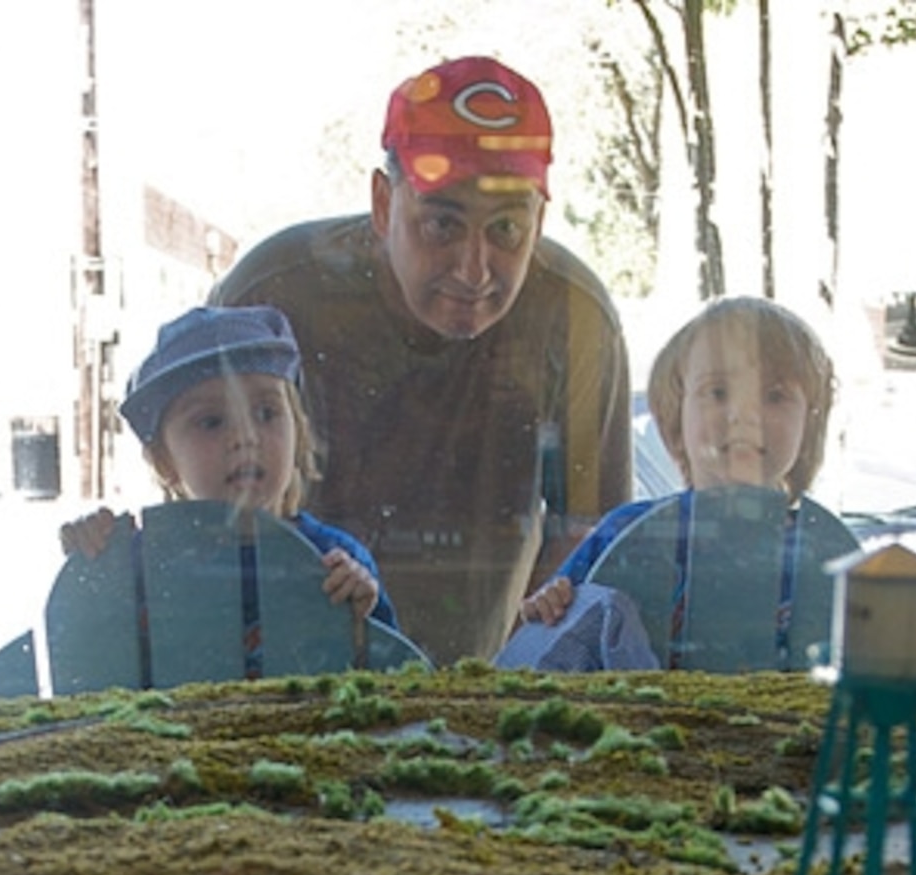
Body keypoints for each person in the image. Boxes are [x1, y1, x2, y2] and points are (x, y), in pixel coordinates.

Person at [211, 57, 631, 664]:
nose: (473, 268)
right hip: (292, 679)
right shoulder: (274, 295)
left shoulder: (575, 316)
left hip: (492, 692)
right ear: (384, 204)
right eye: (442, 224)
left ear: (541, 222)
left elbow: (590, 532)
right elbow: (197, 508)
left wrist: (521, 671)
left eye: (508, 229)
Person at [62, 304, 400, 635]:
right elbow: (87, 657)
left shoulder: (335, 562)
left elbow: (393, 673)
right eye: (211, 422)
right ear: (164, 462)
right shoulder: (137, 565)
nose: (246, 437)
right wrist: (92, 557)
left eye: (267, 413)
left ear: (297, 432)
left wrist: (360, 614)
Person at [517, 294, 850, 625]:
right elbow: (552, 632)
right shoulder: (626, 536)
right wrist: (549, 605)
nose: (744, 415)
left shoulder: (828, 554)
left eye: (775, 396)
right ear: (675, 416)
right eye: (718, 392)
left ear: (810, 425)